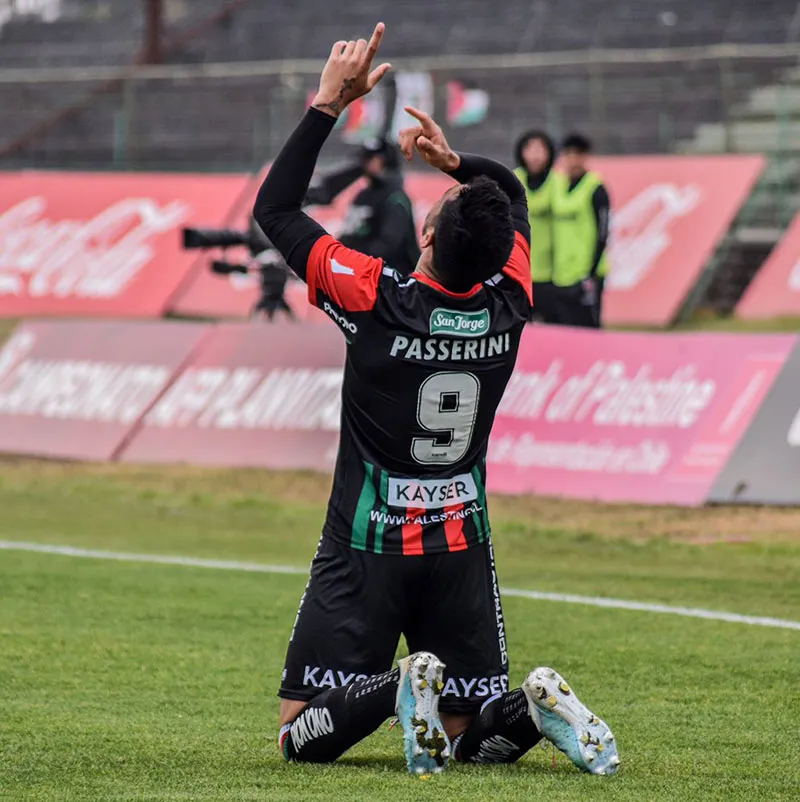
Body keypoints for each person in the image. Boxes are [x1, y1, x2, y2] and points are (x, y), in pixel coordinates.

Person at [253, 23, 619, 777]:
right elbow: (511, 193)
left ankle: (397, 689)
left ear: (425, 232)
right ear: (497, 252)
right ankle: (530, 706)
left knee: (298, 734)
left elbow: (278, 210)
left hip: (367, 544)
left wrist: (326, 105)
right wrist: (460, 162)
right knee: (470, 735)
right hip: (461, 546)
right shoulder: (509, 302)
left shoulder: (376, 296)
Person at [305, 137, 421, 276]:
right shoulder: (362, 195)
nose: (364, 164)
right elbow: (350, 234)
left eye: (370, 159)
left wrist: (352, 259)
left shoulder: (395, 199)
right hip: (361, 275)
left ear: (384, 161)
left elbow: (389, 245)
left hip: (390, 279)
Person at [552, 133, 611, 328]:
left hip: (586, 274)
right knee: (565, 330)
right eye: (568, 155)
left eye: (578, 155)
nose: (573, 160)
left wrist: (591, 272)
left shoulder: (595, 188)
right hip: (561, 273)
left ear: (586, 157)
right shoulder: (557, 185)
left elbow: (603, 231)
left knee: (589, 328)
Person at [513, 130, 562, 323]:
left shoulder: (558, 181)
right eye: (530, 149)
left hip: (552, 269)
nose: (535, 155)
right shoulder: (513, 179)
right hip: (521, 267)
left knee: (553, 325)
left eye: (540, 149)